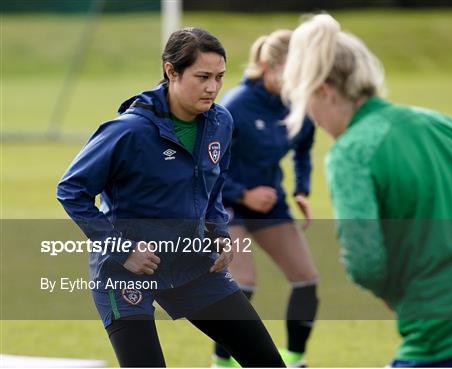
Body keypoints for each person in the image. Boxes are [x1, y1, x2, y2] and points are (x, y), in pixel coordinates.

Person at [281, 14, 452, 368]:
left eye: (307, 101)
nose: (310, 115)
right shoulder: (447, 124)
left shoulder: (351, 150)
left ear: (325, 90)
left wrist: (412, 287)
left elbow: (366, 263)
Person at [57, 27, 285, 368]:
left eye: (220, 77)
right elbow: (70, 190)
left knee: (267, 362)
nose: (212, 88)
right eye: (202, 76)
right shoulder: (128, 131)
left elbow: (214, 184)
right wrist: (122, 249)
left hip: (192, 264)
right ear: (171, 71)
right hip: (126, 271)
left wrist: (218, 231)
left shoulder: (221, 121)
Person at [210, 30, 319, 368]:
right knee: (242, 284)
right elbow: (207, 168)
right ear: (266, 66)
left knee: (306, 281)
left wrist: (301, 188)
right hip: (226, 204)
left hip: (270, 204)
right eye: (290, 71)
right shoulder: (235, 106)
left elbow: (303, 146)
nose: (296, 80)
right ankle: (222, 363)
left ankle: (294, 359)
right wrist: (243, 193)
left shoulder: (296, 105)